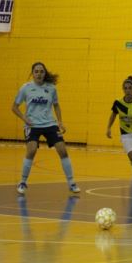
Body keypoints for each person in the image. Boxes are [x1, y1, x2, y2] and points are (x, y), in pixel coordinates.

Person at [12, 62, 80, 194]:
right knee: (31, 150)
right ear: (32, 73)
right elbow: (14, 107)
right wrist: (24, 118)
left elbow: (56, 105)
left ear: (45, 73)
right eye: (36, 71)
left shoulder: (51, 88)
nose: (39, 74)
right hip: (32, 125)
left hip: (50, 124)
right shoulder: (26, 88)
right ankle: (22, 182)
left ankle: (72, 183)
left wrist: (60, 122)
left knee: (63, 150)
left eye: (41, 71)